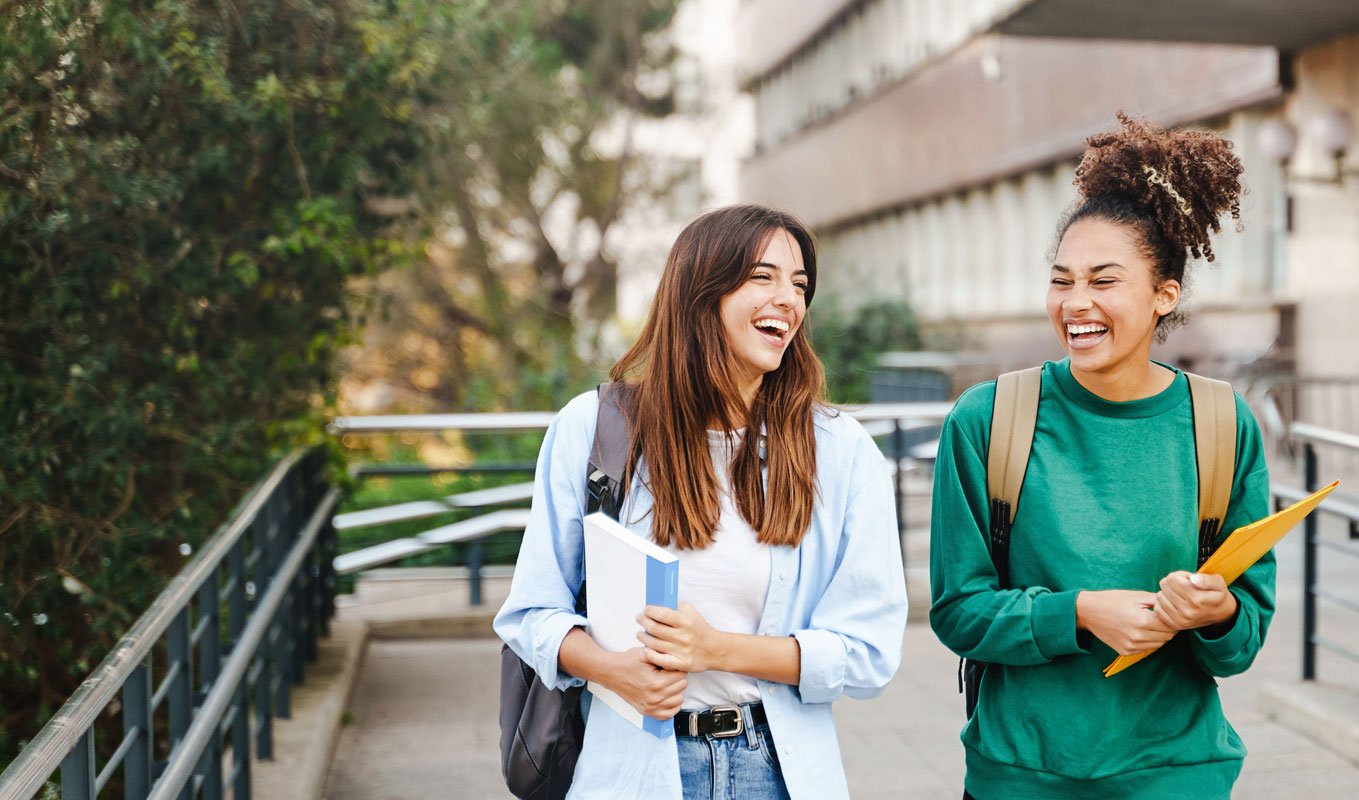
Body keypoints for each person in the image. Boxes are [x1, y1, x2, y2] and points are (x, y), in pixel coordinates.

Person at [495, 204, 909, 800]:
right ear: (700, 292)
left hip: (778, 772)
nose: (789, 300)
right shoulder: (594, 428)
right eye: (762, 277)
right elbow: (531, 613)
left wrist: (719, 649)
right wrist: (615, 671)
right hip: (632, 770)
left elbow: (869, 653)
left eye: (799, 284)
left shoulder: (839, 450)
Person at [929, 113, 1275, 800]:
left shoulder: (1220, 423)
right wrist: (1080, 612)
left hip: (1176, 775)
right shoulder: (987, 419)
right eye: (1061, 281)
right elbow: (956, 611)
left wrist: (1215, 611)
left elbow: (1242, 639)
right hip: (1019, 776)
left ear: (1163, 297)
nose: (1075, 303)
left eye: (1102, 281)